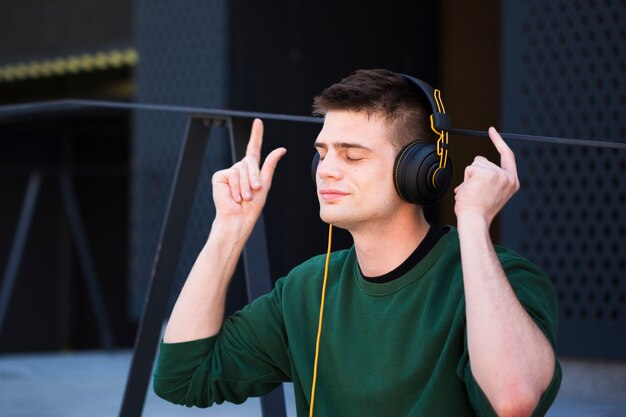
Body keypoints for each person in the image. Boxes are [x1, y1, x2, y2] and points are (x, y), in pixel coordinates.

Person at [153, 69, 561, 417]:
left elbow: (513, 400)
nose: (326, 170)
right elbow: (181, 378)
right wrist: (228, 229)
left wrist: (472, 221)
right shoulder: (306, 289)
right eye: (322, 152)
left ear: (421, 171)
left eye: (352, 155)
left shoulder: (503, 278)